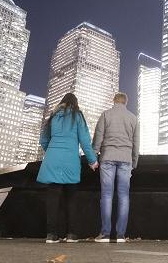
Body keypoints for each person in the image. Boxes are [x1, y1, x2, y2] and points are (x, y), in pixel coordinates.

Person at [37, 93, 99, 244]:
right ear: (75, 103)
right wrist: (92, 161)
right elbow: (85, 140)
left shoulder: (53, 116)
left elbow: (43, 140)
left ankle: (51, 235)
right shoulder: (77, 116)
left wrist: (52, 151)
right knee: (71, 198)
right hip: (70, 160)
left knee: (52, 199)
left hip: (52, 160)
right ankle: (71, 234)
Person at [92, 92, 139, 243]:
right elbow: (136, 143)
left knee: (106, 195)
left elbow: (98, 137)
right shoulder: (133, 118)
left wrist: (93, 157)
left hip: (107, 158)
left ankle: (105, 234)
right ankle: (120, 235)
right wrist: (134, 162)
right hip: (125, 159)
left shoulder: (106, 115)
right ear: (126, 102)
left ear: (114, 101)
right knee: (124, 196)